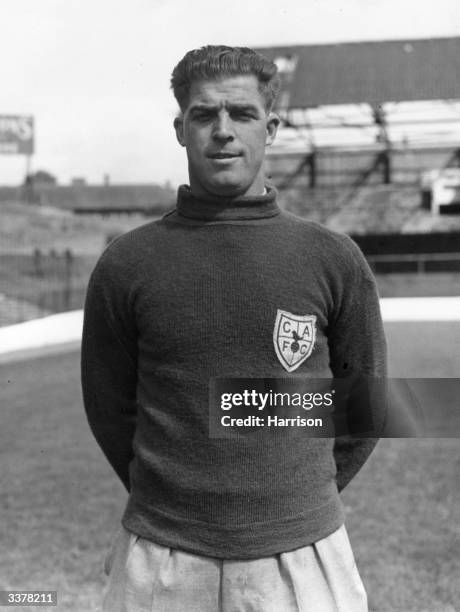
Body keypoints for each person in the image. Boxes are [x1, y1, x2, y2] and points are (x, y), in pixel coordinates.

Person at [81, 45, 387, 611]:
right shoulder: (126, 262)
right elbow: (109, 407)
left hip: (303, 552)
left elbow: (361, 406)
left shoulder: (333, 258)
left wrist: (299, 501)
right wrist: (170, 502)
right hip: (162, 554)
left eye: (241, 114)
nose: (222, 131)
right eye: (204, 115)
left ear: (270, 127)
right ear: (180, 128)